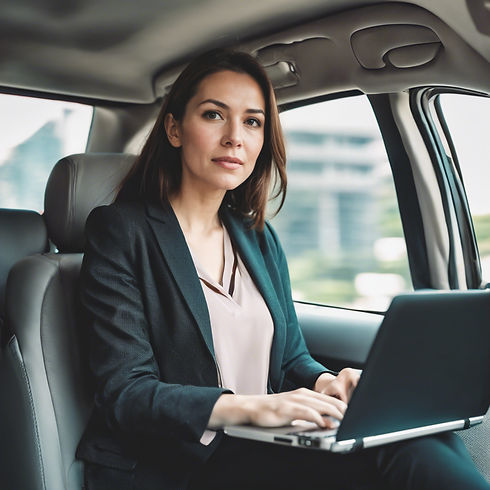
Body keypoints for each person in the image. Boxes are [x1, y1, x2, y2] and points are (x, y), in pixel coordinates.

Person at [76, 49, 489, 490]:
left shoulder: (258, 238)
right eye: (215, 115)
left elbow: (291, 356)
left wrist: (327, 382)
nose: (235, 137)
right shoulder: (120, 231)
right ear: (175, 129)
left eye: (253, 122)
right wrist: (253, 407)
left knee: (416, 432)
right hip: (177, 461)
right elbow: (126, 393)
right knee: (398, 454)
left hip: (259, 444)